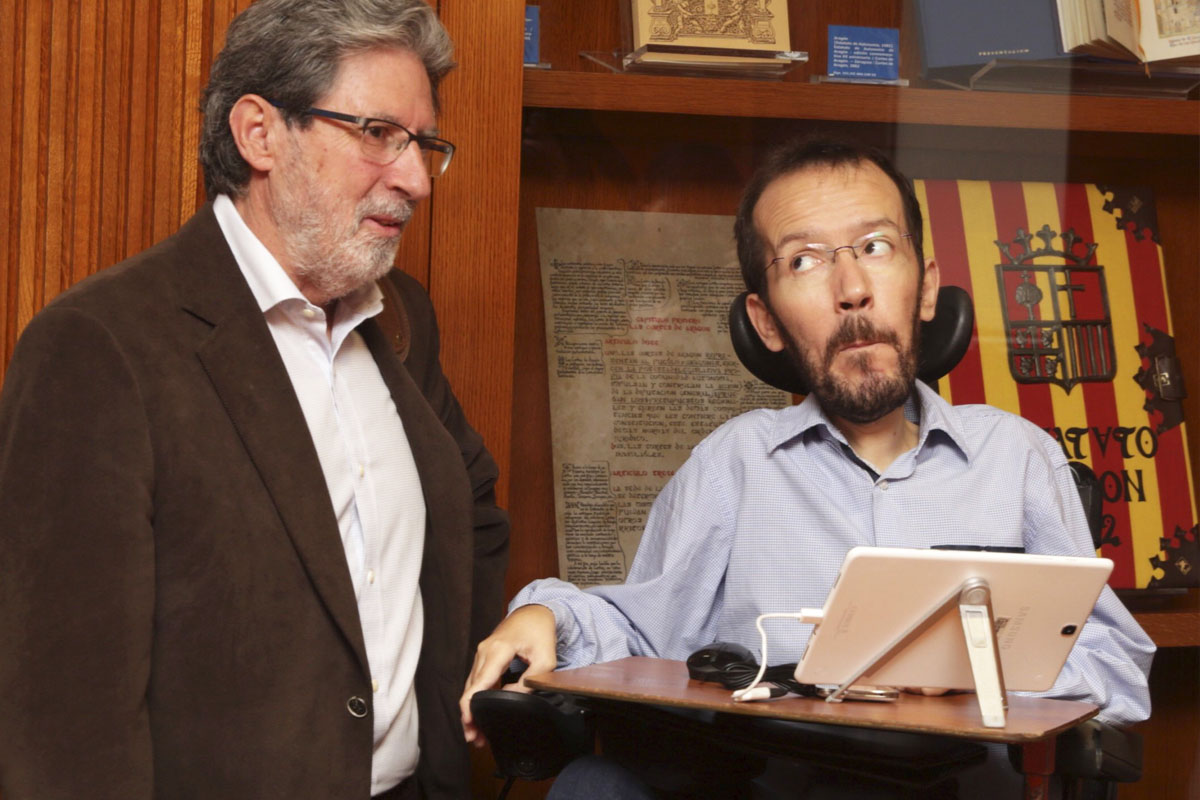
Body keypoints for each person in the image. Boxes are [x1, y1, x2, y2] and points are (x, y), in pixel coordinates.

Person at [459, 138, 1154, 798]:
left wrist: (980, 675)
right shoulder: (733, 464)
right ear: (765, 322)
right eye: (805, 261)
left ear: (928, 286)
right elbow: (641, 633)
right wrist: (545, 612)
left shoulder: (1018, 457)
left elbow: (1118, 667)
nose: (851, 289)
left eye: (877, 247)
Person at [0, 2, 508, 799]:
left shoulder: (402, 318)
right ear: (259, 133)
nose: (413, 177)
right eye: (379, 134)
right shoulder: (100, 346)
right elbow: (66, 718)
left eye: (423, 145)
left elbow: (470, 510)